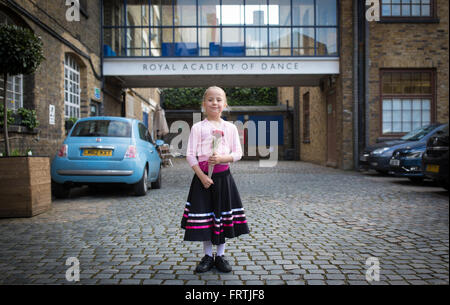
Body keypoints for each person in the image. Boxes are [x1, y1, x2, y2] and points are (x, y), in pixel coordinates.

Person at [181, 86, 250, 273]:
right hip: (203, 179)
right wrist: (202, 176)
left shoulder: (230, 128)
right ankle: (207, 256)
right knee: (207, 217)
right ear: (204, 104)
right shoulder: (198, 127)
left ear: (224, 104)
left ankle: (220, 256)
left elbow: (238, 153)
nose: (215, 103)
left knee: (221, 215)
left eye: (219, 99)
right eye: (210, 99)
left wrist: (222, 158)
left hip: (223, 178)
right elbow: (189, 155)